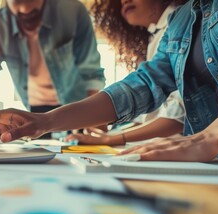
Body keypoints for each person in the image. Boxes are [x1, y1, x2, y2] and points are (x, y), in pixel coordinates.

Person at [0, 0, 218, 164]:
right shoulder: (182, 22)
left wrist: (205, 139)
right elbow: (139, 86)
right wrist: (43, 121)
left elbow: (91, 73)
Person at [0, 0, 105, 143]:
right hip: (34, 112)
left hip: (76, 108)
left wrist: (94, 117)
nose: (26, 9)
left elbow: (90, 73)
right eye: (18, 1)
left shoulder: (73, 11)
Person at [65, 0, 187, 146]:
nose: (124, 1)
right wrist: (109, 135)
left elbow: (177, 118)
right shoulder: (155, 35)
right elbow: (148, 119)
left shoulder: (179, 26)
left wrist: (110, 139)